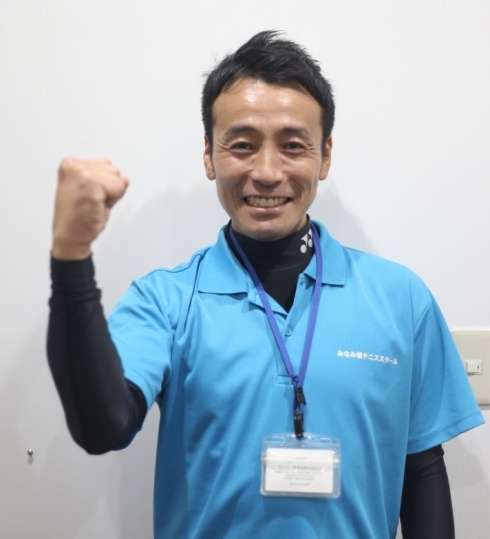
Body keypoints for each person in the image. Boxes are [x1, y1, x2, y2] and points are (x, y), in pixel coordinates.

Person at [47, 31, 483, 539]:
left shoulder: (401, 299)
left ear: (325, 155)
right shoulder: (164, 302)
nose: (268, 172)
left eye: (293, 146)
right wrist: (71, 257)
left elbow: (422, 469)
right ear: (209, 155)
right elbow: (102, 428)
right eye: (242, 146)